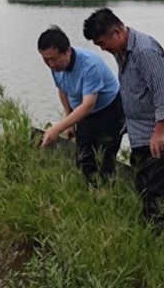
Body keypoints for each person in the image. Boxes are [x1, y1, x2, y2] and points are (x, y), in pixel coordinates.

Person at [82, 8, 164, 230]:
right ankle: (150, 233)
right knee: (143, 186)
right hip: (140, 134)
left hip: (161, 136)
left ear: (117, 32)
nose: (102, 49)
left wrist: (159, 133)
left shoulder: (144, 51)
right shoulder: (122, 52)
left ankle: (158, 238)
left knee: (158, 192)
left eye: (102, 43)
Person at [38, 25, 125, 184]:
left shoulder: (90, 65)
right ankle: (91, 194)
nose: (51, 64)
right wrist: (69, 119)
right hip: (82, 112)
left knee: (105, 158)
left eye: (54, 59)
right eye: (46, 59)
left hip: (109, 110)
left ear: (68, 51)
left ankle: (107, 195)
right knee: (85, 158)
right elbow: (62, 88)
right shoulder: (55, 65)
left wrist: (58, 128)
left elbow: (88, 106)